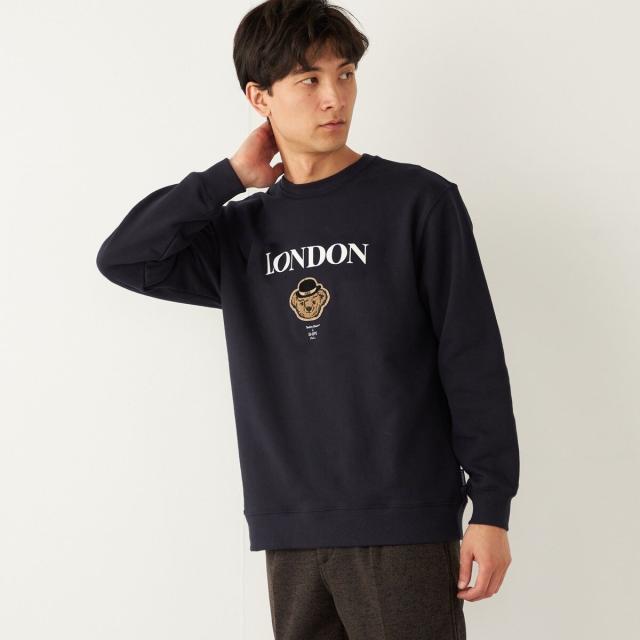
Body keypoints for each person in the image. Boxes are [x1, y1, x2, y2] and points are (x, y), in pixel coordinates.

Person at [96, 1, 520, 638]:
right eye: (309, 80)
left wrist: (491, 507)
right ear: (259, 97)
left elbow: (472, 357)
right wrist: (226, 178)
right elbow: (124, 257)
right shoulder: (242, 233)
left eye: (345, 74)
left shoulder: (418, 202)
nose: (334, 98)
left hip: (403, 520)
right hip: (290, 528)